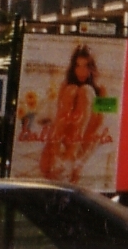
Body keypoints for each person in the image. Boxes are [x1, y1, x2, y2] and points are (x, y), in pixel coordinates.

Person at [40, 43, 107, 182]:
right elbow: (59, 116)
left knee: (86, 91)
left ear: (92, 68)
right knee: (71, 89)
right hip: (67, 134)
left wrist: (83, 157)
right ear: (73, 67)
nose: (81, 71)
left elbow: (101, 123)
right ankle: (58, 153)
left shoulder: (101, 89)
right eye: (78, 66)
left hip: (86, 137)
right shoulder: (65, 85)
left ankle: (72, 155)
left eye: (86, 66)